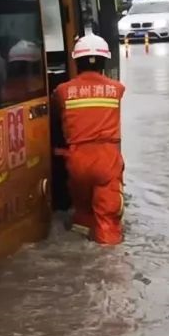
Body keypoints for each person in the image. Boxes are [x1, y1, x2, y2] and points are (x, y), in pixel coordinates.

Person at [54, 34, 126, 246]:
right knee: (108, 221)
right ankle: (107, 267)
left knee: (82, 216)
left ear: (76, 62)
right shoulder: (117, 89)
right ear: (104, 62)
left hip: (77, 161)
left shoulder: (63, 91)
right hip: (107, 161)